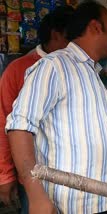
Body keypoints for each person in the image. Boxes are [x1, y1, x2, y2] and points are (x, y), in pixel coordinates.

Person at [5, 1, 107, 213]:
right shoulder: (54, 66)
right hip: (66, 204)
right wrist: (36, 197)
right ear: (95, 27)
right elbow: (19, 127)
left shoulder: (92, 74)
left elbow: (90, 134)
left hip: (97, 200)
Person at [0, 5, 74, 209]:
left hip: (77, 178)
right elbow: (4, 123)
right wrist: (5, 175)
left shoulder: (81, 69)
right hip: (36, 181)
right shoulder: (18, 71)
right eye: (73, 37)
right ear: (56, 35)